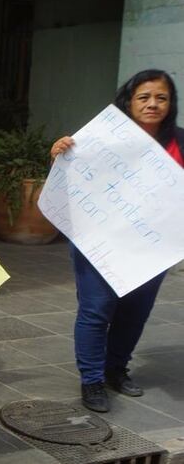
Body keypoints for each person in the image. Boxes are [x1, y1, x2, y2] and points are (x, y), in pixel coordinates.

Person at [50, 69, 184, 413]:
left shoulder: (180, 142)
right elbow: (72, 178)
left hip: (152, 248)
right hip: (98, 241)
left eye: (161, 97)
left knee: (135, 313)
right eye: (144, 97)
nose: (153, 104)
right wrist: (60, 153)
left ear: (171, 103)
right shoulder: (99, 140)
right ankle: (92, 380)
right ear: (129, 100)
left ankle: (115, 370)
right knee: (96, 311)